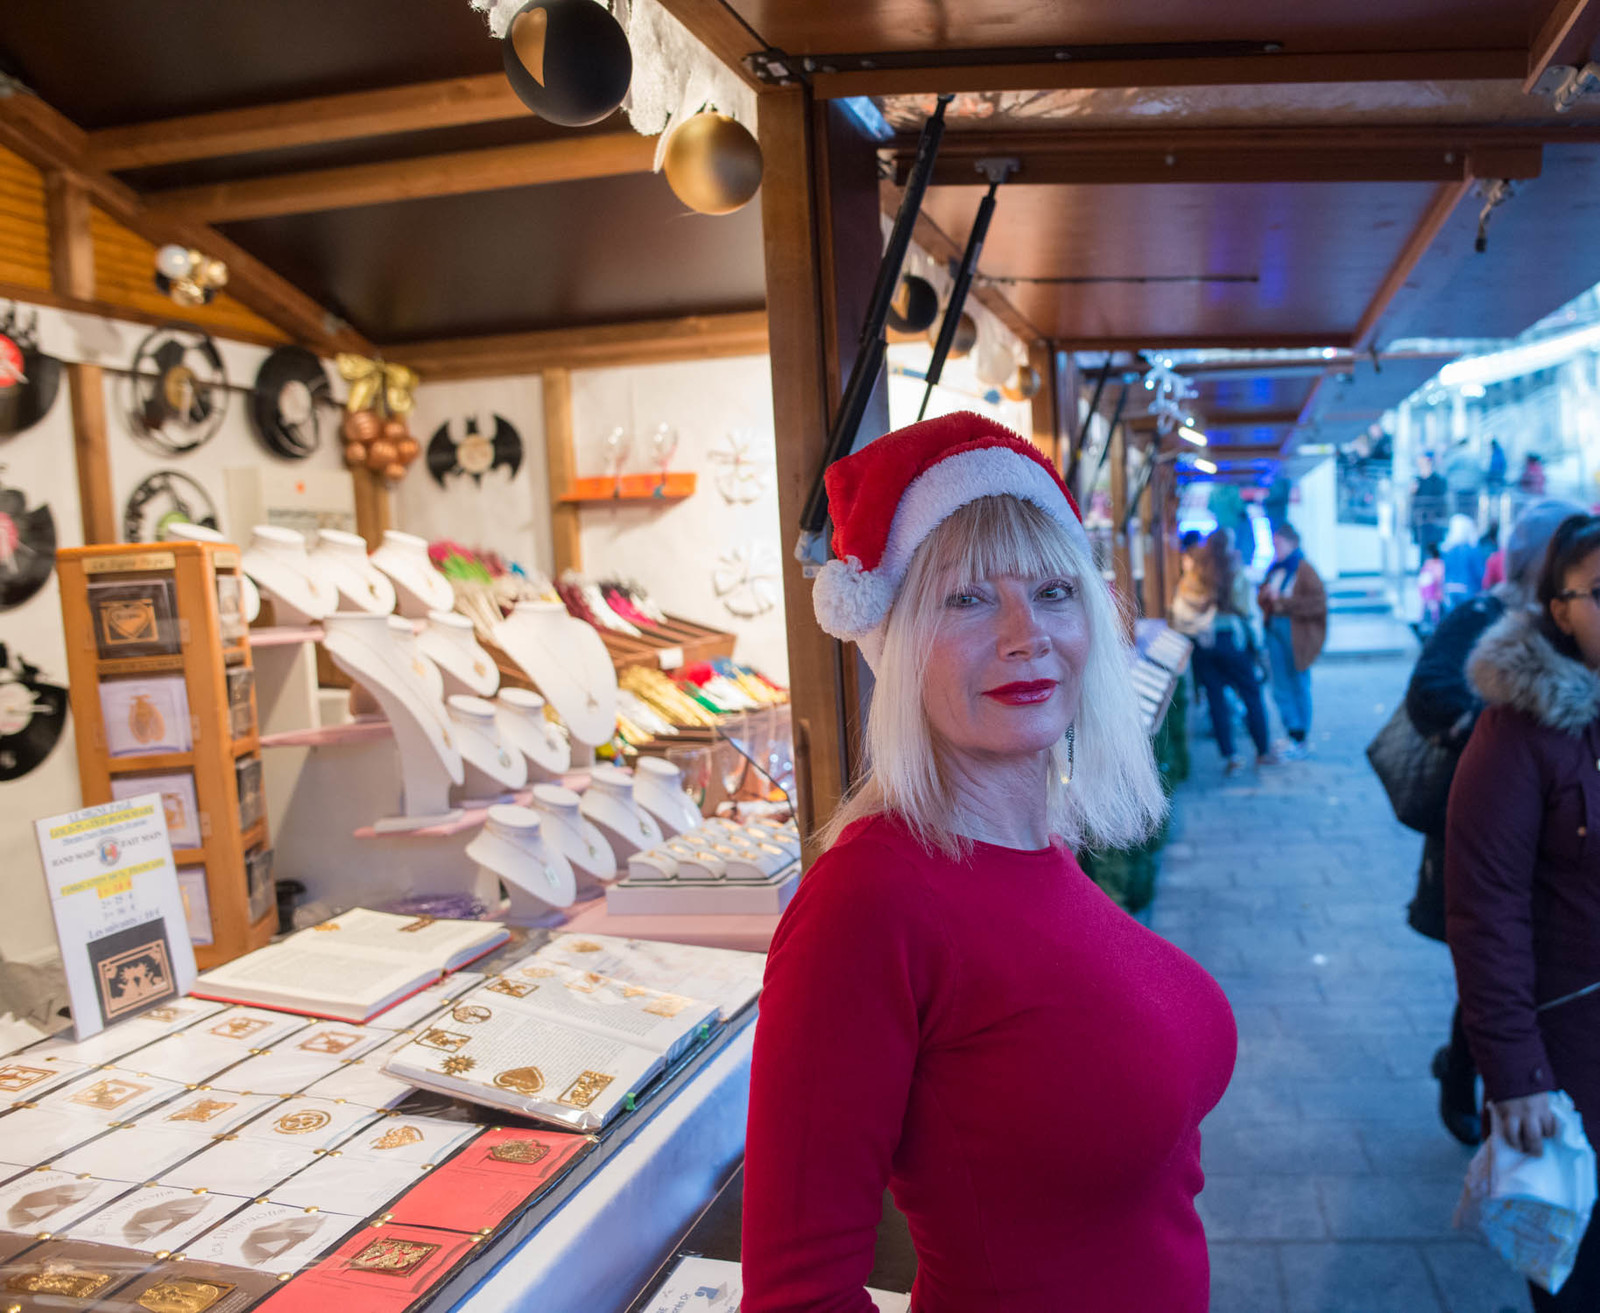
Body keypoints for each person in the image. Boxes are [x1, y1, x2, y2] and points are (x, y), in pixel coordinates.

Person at [742, 412, 1237, 1313]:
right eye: (968, 598)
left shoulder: (1043, 844)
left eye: (1053, 590)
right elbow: (796, 1294)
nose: (1026, 633)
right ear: (891, 637)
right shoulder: (870, 899)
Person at [1447, 512, 1600, 1311]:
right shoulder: (1518, 731)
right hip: (1573, 1064)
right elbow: (1484, 909)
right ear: (1560, 606)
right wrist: (1516, 1075)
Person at [1405, 499, 1583, 1146]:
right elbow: (1426, 686)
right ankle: (1463, 1076)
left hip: (1557, 848)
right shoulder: (1484, 617)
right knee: (1494, 958)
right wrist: (1479, 729)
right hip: (1484, 824)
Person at [1170, 531, 1274, 775]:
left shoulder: (1194, 573)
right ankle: (1262, 751)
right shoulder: (1235, 571)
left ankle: (1230, 756)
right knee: (1251, 693)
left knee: (1215, 698)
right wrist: (1258, 645)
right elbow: (1246, 610)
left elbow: (1181, 608)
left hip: (1204, 646)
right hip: (1231, 640)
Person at [1257, 523, 1326, 758]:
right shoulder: (1276, 568)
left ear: (1291, 542)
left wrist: (1283, 603)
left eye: (1279, 544)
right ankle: (1291, 729)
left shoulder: (1304, 570)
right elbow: (1264, 599)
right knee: (1280, 683)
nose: (1276, 548)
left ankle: (1301, 734)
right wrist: (1266, 597)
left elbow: (1317, 604)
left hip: (1297, 634)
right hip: (1274, 630)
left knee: (1298, 682)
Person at [1441, 514, 1487, 613]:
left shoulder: (1447, 550)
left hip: (1450, 589)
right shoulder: (1472, 550)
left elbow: (1444, 571)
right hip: (1468, 590)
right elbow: (1480, 573)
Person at [1418, 543, 1445, 628]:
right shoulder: (1440, 563)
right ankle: (1435, 626)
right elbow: (1441, 577)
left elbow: (1422, 579)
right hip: (1435, 591)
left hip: (1429, 591)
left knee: (1426, 608)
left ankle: (1423, 624)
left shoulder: (1428, 564)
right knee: (1435, 610)